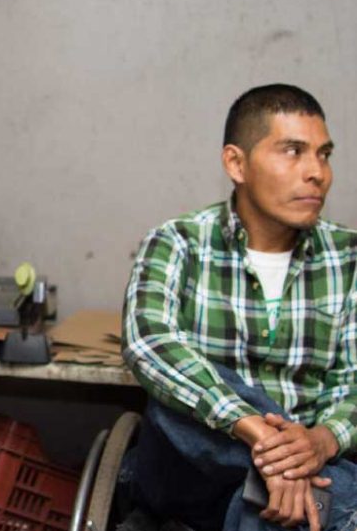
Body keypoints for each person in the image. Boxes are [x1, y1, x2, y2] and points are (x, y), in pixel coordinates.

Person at [122, 84, 356, 531]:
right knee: (181, 383)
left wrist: (320, 442)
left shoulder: (349, 256)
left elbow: (352, 383)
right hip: (190, 474)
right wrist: (258, 432)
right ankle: (337, 499)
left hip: (299, 485)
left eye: (324, 155)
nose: (317, 173)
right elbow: (149, 344)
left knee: (267, 503)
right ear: (236, 163)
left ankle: (301, 488)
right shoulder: (179, 242)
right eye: (293, 151)